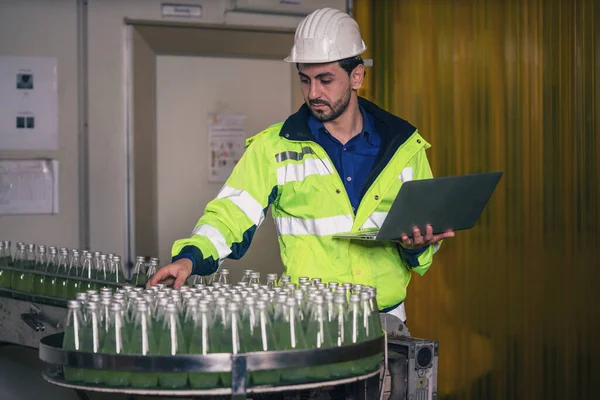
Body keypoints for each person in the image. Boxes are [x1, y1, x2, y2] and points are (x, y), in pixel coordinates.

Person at [148, 7, 454, 324]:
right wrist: (190, 258)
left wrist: (417, 247)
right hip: (310, 324)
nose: (313, 93)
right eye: (305, 80)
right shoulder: (273, 148)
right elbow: (229, 215)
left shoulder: (404, 147)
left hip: (388, 325)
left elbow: (423, 250)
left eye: (325, 80)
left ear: (357, 77)